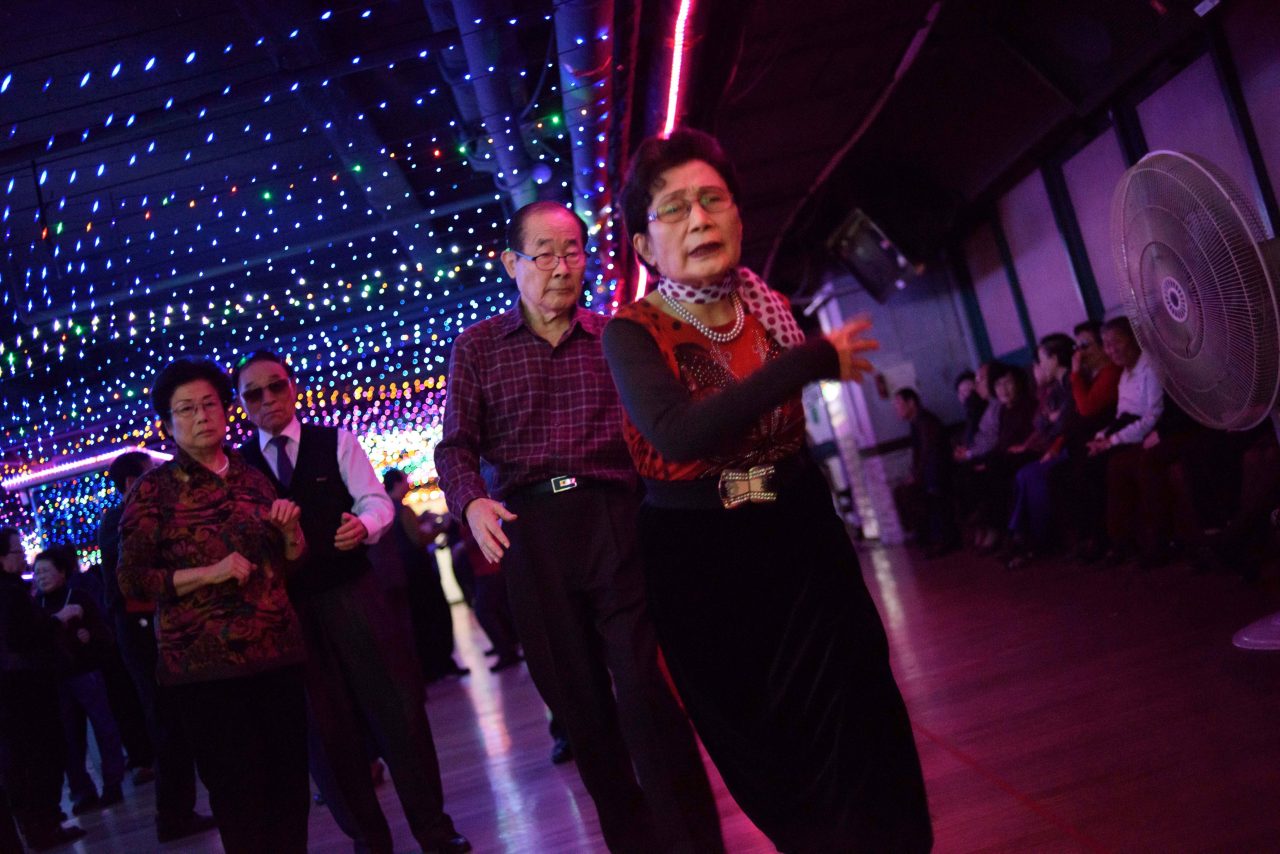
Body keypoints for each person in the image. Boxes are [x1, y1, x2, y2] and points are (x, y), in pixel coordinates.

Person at [606, 127, 931, 852]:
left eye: (713, 200)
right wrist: (812, 360)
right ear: (644, 246)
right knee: (774, 753)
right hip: (706, 564)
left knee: (863, 727)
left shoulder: (767, 302)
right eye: (675, 208)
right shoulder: (633, 333)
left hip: (801, 536)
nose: (699, 220)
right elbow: (681, 436)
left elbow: (784, 438)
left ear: (738, 215)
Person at [436, 200, 724, 853]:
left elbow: (662, 430)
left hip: (615, 516)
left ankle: (693, 840)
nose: (563, 267)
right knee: (580, 706)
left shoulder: (616, 335)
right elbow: (455, 447)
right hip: (528, 529)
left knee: (647, 687)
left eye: (573, 251)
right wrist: (470, 502)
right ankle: (633, 839)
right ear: (511, 263)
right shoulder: (478, 346)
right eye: (545, 253)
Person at [233, 351, 469, 854]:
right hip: (289, 610)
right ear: (241, 404)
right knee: (325, 730)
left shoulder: (335, 441)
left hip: (352, 593)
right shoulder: (238, 468)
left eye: (275, 386)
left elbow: (375, 500)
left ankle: (434, 829)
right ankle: (368, 840)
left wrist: (364, 525)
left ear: (292, 387)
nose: (267, 399)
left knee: (398, 712)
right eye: (254, 393)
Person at [117, 358, 310, 854]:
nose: (202, 416)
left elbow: (287, 564)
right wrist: (210, 573)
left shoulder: (253, 478)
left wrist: (291, 535)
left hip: (277, 655)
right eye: (186, 409)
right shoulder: (150, 493)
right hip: (206, 671)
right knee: (239, 796)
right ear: (168, 424)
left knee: (290, 786)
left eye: (209, 404)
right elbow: (131, 581)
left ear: (226, 411)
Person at [100, 452, 214, 843]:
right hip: (141, 630)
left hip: (141, 629)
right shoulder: (125, 518)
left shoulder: (121, 518)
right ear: (134, 481)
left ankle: (178, 812)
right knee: (167, 720)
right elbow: (138, 577)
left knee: (169, 718)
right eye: (150, 474)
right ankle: (175, 815)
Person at [1, 527, 88, 851]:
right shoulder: (9, 593)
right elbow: (23, 635)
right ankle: (44, 825)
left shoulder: (12, 590)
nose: (23, 555)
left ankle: (42, 824)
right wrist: (59, 618)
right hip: (26, 687)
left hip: (19, 688)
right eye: (15, 551)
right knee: (41, 756)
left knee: (31, 759)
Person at [31, 546, 126, 815]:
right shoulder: (36, 605)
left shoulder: (80, 597)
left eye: (46, 571)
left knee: (104, 727)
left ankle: (112, 782)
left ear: (62, 572)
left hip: (86, 672)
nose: (41, 577)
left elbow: (103, 629)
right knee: (70, 738)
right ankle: (82, 791)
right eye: (37, 572)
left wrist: (90, 635)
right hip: (58, 679)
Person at [381, 470, 470, 681]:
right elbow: (417, 540)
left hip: (404, 574)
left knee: (419, 620)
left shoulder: (386, 509)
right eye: (405, 480)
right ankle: (444, 663)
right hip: (420, 572)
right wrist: (441, 527)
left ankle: (429, 668)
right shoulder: (402, 510)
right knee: (437, 616)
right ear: (397, 483)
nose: (409, 483)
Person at [892, 387, 959, 557]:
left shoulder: (926, 422)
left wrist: (916, 476)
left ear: (911, 403)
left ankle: (939, 538)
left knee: (922, 491)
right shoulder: (917, 423)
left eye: (899, 404)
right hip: (930, 472)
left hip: (940, 472)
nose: (897, 409)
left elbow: (930, 454)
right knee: (902, 492)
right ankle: (927, 538)